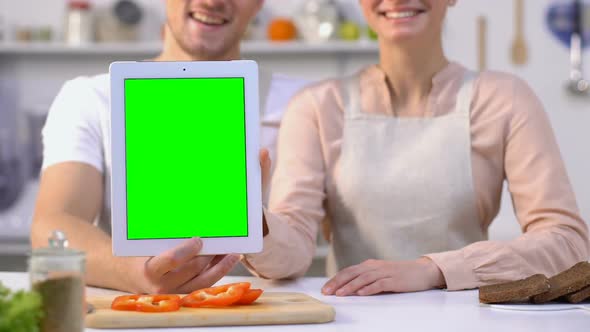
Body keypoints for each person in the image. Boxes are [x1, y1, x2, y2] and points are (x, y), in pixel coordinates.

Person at [244, 0, 590, 295]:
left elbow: (568, 243)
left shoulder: (505, 99)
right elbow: (292, 253)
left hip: (468, 318)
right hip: (354, 320)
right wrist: (254, 222)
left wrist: (435, 270)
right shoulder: (316, 106)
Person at [31, 0, 307, 294]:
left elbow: (299, 252)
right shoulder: (87, 97)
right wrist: (131, 271)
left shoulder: (301, 103)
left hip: (259, 316)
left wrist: (253, 218)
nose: (211, 2)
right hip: (139, 313)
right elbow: (53, 227)